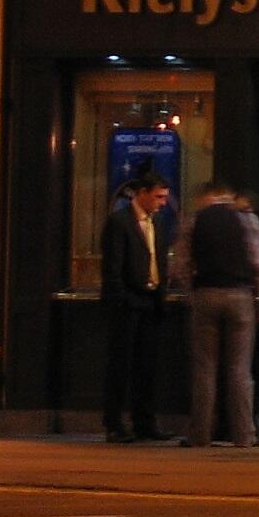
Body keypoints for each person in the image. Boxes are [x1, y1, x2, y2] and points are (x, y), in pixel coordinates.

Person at [172, 185, 259, 449]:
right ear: (228, 195)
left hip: (205, 295)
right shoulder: (247, 220)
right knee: (239, 370)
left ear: (207, 197)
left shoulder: (194, 220)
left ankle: (200, 435)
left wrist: (189, 294)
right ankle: (244, 435)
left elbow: (181, 264)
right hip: (240, 297)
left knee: (204, 369)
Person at [100, 177, 173, 442]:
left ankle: (145, 421)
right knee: (121, 364)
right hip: (128, 300)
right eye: (158, 197)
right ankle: (114, 423)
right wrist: (118, 297)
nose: (163, 203)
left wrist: (161, 293)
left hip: (151, 300)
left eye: (164, 197)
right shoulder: (119, 222)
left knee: (147, 365)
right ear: (142, 193)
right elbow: (113, 265)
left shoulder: (159, 223)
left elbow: (160, 259)